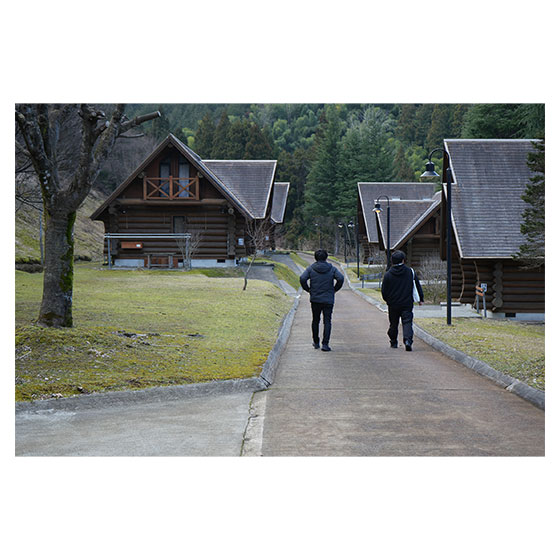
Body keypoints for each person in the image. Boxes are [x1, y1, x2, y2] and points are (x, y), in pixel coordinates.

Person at [299, 249, 344, 351]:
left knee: (315, 320)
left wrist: (308, 290)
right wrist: (334, 290)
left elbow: (302, 278)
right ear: (326, 257)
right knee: (327, 321)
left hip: (315, 298)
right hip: (328, 299)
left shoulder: (311, 269)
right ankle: (325, 344)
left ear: (315, 257)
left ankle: (316, 342)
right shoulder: (332, 269)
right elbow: (340, 278)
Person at [381, 250, 424, 351]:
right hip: (407, 303)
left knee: (393, 323)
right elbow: (417, 286)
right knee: (407, 322)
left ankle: (393, 341)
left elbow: (384, 291)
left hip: (393, 304)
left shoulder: (388, 274)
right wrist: (420, 299)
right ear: (403, 260)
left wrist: (388, 300)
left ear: (392, 261)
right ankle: (408, 340)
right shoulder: (410, 272)